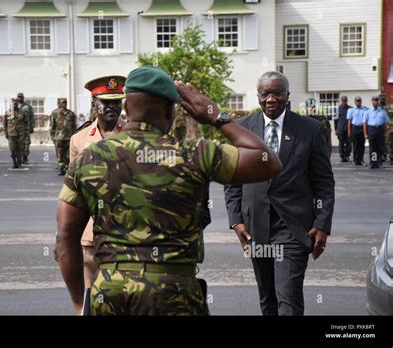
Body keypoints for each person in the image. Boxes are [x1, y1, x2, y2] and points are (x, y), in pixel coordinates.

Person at [55, 66, 282, 316]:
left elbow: (65, 238)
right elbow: (268, 161)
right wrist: (216, 116)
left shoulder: (89, 158)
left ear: (126, 109)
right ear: (171, 110)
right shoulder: (196, 154)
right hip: (175, 294)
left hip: (110, 293)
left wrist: (79, 303)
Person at [224, 71, 335, 316]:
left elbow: (324, 182)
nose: (271, 99)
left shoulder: (310, 129)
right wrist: (236, 221)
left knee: (289, 299)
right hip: (256, 227)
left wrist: (323, 223)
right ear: (258, 96)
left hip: (294, 227)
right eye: (265, 94)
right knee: (268, 299)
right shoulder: (242, 129)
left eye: (277, 93)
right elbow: (233, 178)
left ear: (287, 95)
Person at [67, 75, 127, 292]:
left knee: (125, 293)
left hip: (127, 230)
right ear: (94, 104)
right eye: (106, 102)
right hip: (91, 231)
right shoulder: (79, 139)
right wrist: (64, 236)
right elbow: (73, 191)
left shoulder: (134, 134)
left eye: (116, 102)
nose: (112, 107)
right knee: (91, 294)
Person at [50, 98, 76, 176]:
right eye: (62, 103)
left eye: (65, 102)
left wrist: (75, 135)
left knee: (68, 154)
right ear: (59, 104)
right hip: (59, 137)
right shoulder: (55, 113)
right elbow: (52, 125)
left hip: (69, 137)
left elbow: (74, 126)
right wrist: (52, 135)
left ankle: (68, 169)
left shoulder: (71, 114)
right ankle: (61, 169)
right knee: (60, 154)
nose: (63, 104)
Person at [363, 96, 390, 169]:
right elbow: (365, 123)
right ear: (371, 101)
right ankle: (373, 162)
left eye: (377, 100)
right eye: (374, 100)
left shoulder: (383, 112)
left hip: (380, 130)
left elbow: (386, 123)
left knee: (380, 147)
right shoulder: (367, 112)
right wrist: (365, 134)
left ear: (378, 102)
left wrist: (385, 132)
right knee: (372, 148)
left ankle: (379, 162)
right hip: (371, 129)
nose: (375, 102)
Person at [4, 98, 29, 169]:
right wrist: (6, 132)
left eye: (16, 103)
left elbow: (26, 122)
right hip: (11, 133)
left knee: (20, 149)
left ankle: (19, 162)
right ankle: (14, 162)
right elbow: (5, 124)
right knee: (12, 149)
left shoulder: (22, 112)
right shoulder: (8, 112)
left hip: (21, 133)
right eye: (13, 103)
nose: (15, 105)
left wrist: (26, 132)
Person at [347, 96, 368, 165]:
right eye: (357, 101)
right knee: (355, 145)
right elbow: (349, 121)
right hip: (355, 128)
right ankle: (356, 160)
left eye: (359, 101)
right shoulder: (351, 110)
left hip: (362, 128)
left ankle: (361, 159)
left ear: (361, 101)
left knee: (361, 145)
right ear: (355, 102)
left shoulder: (365, 110)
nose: (358, 102)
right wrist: (349, 131)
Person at [17, 93, 35, 164]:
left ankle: (25, 157)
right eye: (18, 97)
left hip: (26, 128)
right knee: (18, 144)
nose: (20, 98)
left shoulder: (28, 107)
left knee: (26, 143)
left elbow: (32, 117)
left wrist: (32, 126)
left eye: (21, 97)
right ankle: (19, 158)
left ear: (23, 98)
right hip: (17, 129)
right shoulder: (14, 106)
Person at [336, 96, 351, 162]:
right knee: (341, 143)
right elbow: (336, 120)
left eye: (345, 100)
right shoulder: (338, 109)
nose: (344, 102)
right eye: (343, 100)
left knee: (349, 143)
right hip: (341, 128)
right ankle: (342, 156)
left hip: (348, 129)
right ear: (341, 101)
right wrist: (336, 129)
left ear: (347, 101)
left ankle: (347, 155)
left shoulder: (350, 109)